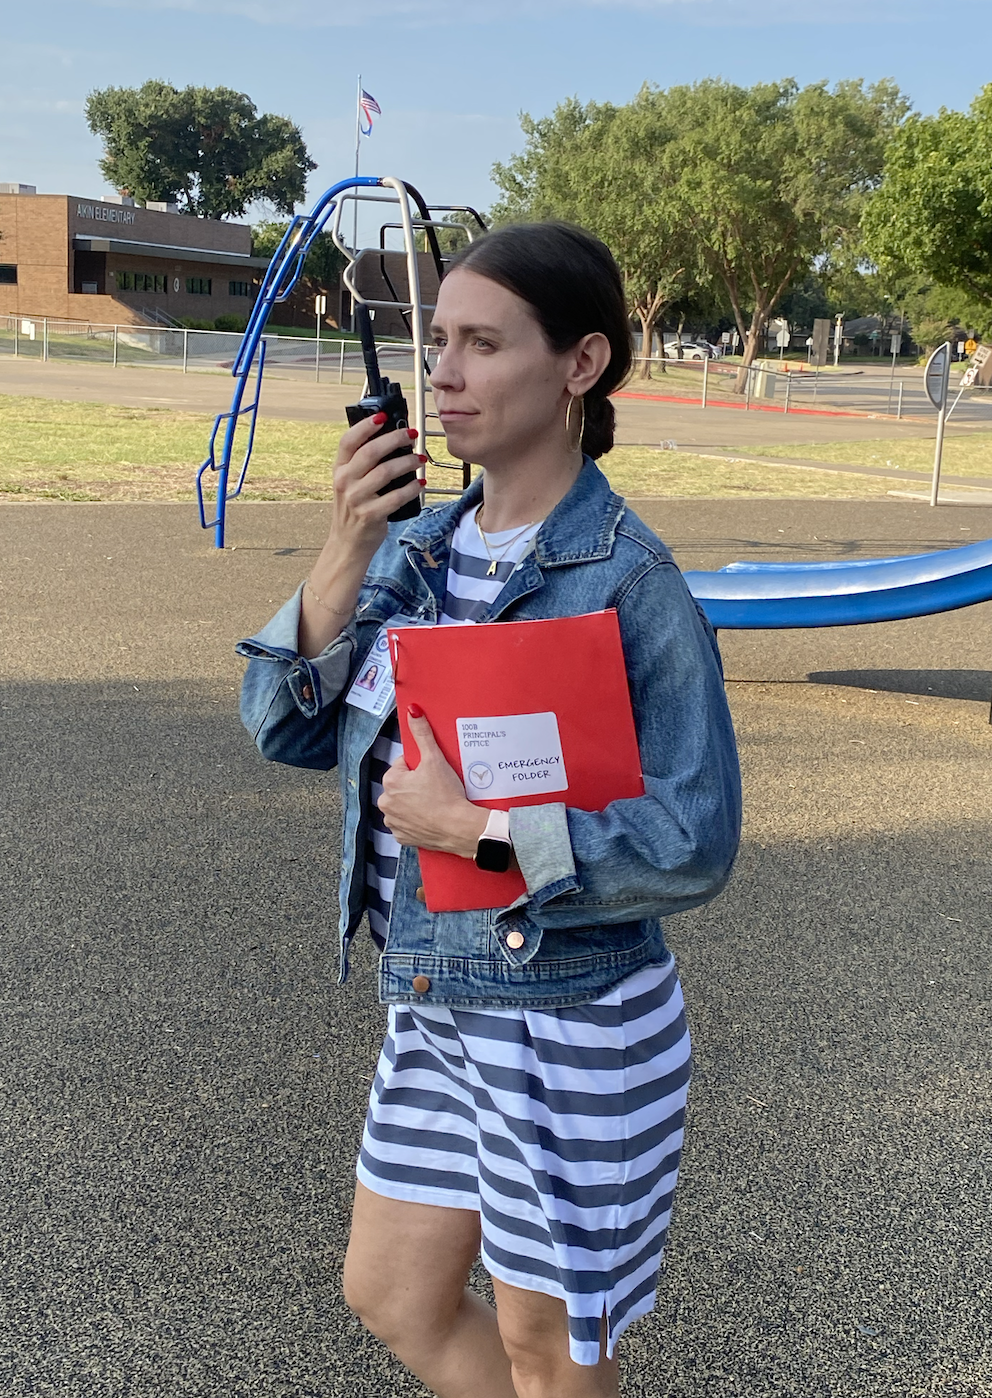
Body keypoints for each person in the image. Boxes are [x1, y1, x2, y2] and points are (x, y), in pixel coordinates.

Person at [237, 223, 742, 1398]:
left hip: (571, 1020)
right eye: (436, 342)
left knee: (550, 1352)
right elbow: (285, 725)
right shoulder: (410, 550)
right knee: (392, 1293)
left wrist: (479, 831)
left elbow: (694, 840)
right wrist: (342, 546)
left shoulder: (627, 581)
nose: (443, 375)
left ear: (579, 365)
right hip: (431, 1005)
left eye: (480, 343)